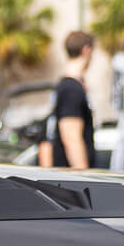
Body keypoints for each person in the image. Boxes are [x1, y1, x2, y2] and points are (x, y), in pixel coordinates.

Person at [41, 32, 95, 168]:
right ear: (86, 50)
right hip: (71, 180)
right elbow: (71, 138)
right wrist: (85, 180)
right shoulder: (72, 88)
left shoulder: (65, 86)